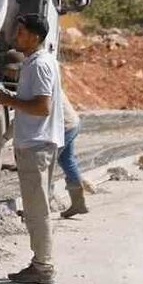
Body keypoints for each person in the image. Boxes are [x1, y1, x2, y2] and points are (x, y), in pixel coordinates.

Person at [0, 13, 64, 284]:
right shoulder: (38, 62)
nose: (16, 37)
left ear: (35, 37)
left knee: (37, 209)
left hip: (37, 146)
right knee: (37, 207)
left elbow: (42, 107)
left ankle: (42, 267)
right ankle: (40, 263)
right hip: (37, 144)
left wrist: (9, 101)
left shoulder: (39, 66)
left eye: (22, 33)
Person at [58, 91, 92, 219]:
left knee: (46, 164)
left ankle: (41, 207)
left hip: (65, 126)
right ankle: (78, 203)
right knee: (67, 160)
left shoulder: (41, 79)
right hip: (71, 123)